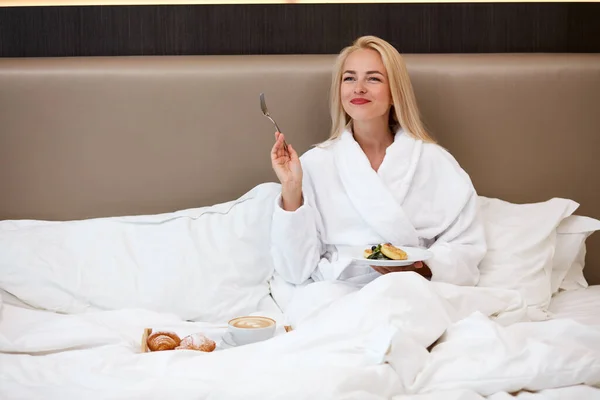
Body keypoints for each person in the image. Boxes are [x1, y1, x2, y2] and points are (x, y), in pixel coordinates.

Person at [269, 35, 487, 289]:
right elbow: (294, 270)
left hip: (415, 290)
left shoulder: (434, 161)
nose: (358, 87)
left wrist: (421, 268)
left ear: (395, 92)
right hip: (340, 293)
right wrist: (292, 190)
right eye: (349, 78)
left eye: (373, 78)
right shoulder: (314, 164)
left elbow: (467, 248)